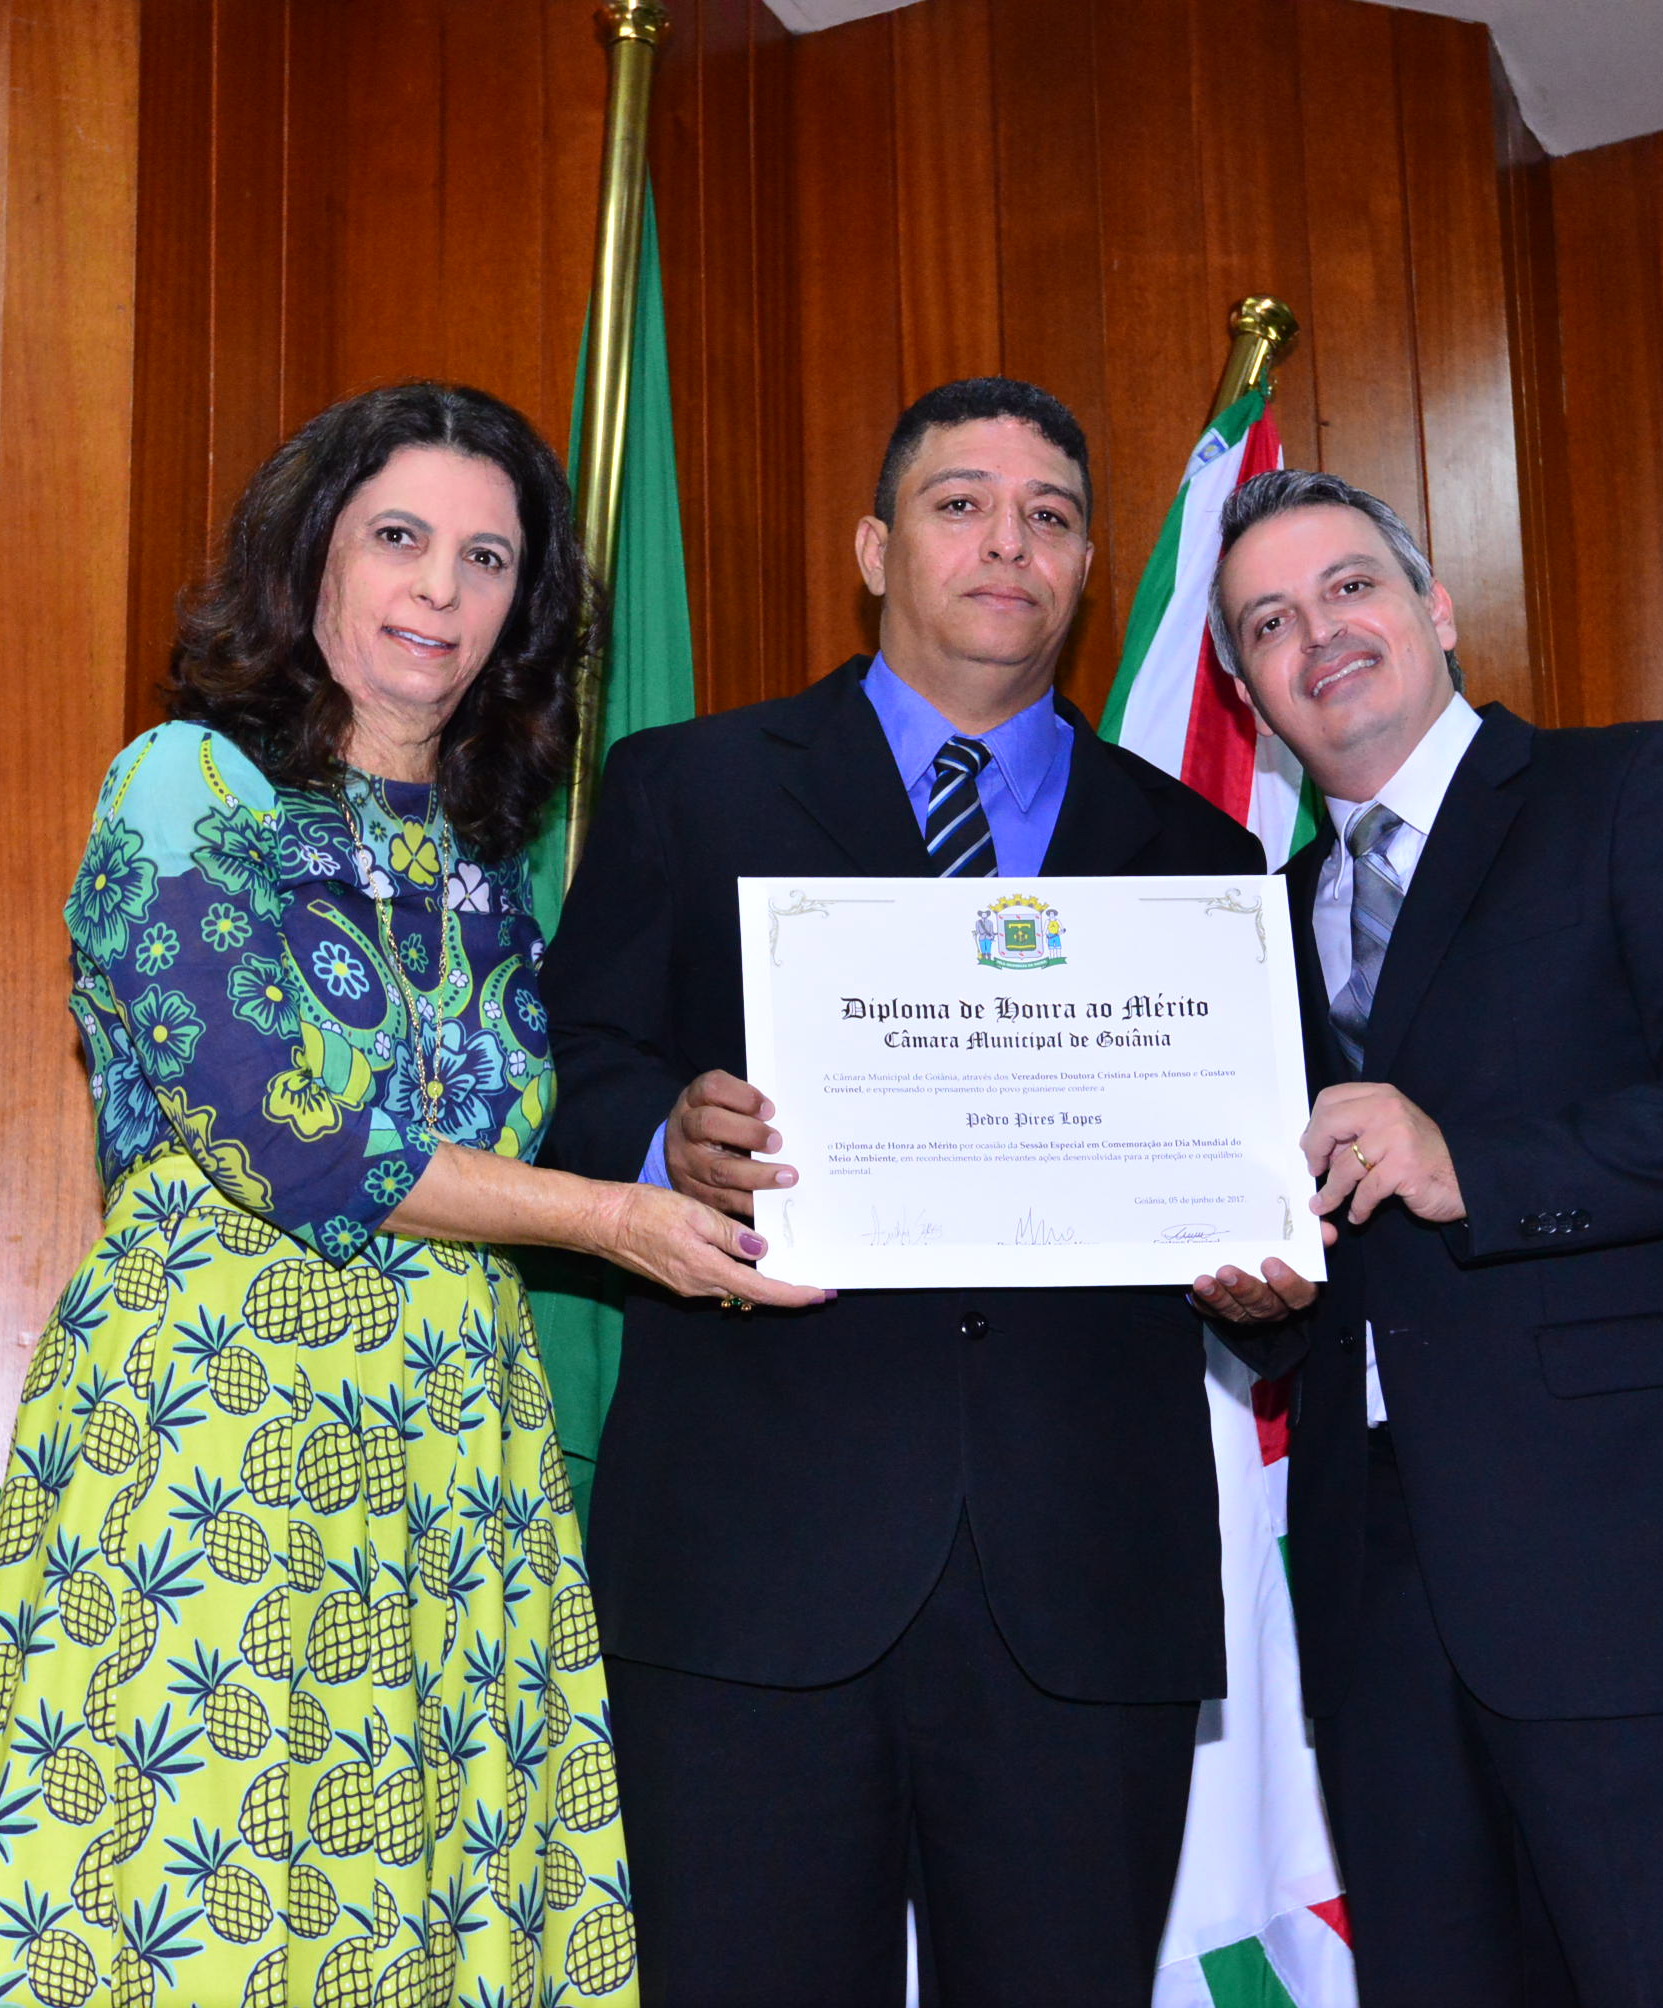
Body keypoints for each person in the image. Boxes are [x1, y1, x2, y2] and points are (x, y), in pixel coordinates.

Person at [0, 382, 813, 2008]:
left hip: (458, 1451)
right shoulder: (187, 785)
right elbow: (292, 1135)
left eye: (488, 559)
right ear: (312, 561)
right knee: (207, 1901)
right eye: (400, 536)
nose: (439, 587)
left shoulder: (488, 869)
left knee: (433, 1915)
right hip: (224, 1432)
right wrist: (614, 1223)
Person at [537, 378, 1282, 2006]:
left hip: (1086, 1587)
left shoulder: (1206, 866)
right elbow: (564, 1077)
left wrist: (1267, 1276)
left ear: (1086, 571)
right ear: (876, 550)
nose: (1008, 542)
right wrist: (664, 1146)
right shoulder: (686, 788)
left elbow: (1267, 1202)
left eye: (1050, 516)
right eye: (962, 505)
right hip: (748, 1573)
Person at [1202, 468, 1663, 2008]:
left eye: (1350, 588)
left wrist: (1475, 1169)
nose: (1320, 634)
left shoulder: (1628, 790)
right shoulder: (1246, 933)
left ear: (1434, 609)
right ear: (1245, 693)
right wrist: (1254, 1296)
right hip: (1375, 1598)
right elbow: (1319, 1251)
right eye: (1270, 623)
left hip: (1639, 1569)